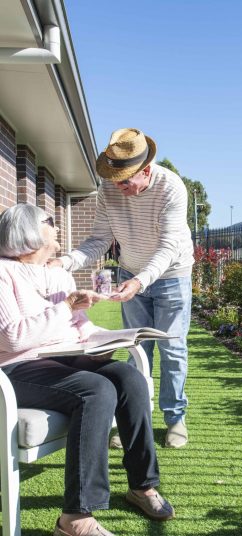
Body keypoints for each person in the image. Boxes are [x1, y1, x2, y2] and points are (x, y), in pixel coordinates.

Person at [0, 204, 175, 536]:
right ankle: (75, 519)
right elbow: (13, 336)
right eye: (49, 223)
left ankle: (143, 485)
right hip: (17, 367)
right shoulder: (2, 273)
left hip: (63, 356)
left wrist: (111, 340)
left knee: (129, 377)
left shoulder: (58, 274)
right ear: (29, 233)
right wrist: (65, 307)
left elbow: (80, 327)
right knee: (96, 390)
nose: (56, 228)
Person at [51, 128, 194, 449]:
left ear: (146, 171)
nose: (119, 187)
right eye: (115, 180)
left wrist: (141, 280)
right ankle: (132, 416)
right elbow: (100, 239)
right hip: (131, 269)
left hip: (171, 273)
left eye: (126, 181)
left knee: (172, 349)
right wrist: (66, 261)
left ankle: (175, 419)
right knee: (136, 349)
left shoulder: (171, 187)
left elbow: (169, 245)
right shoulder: (109, 188)